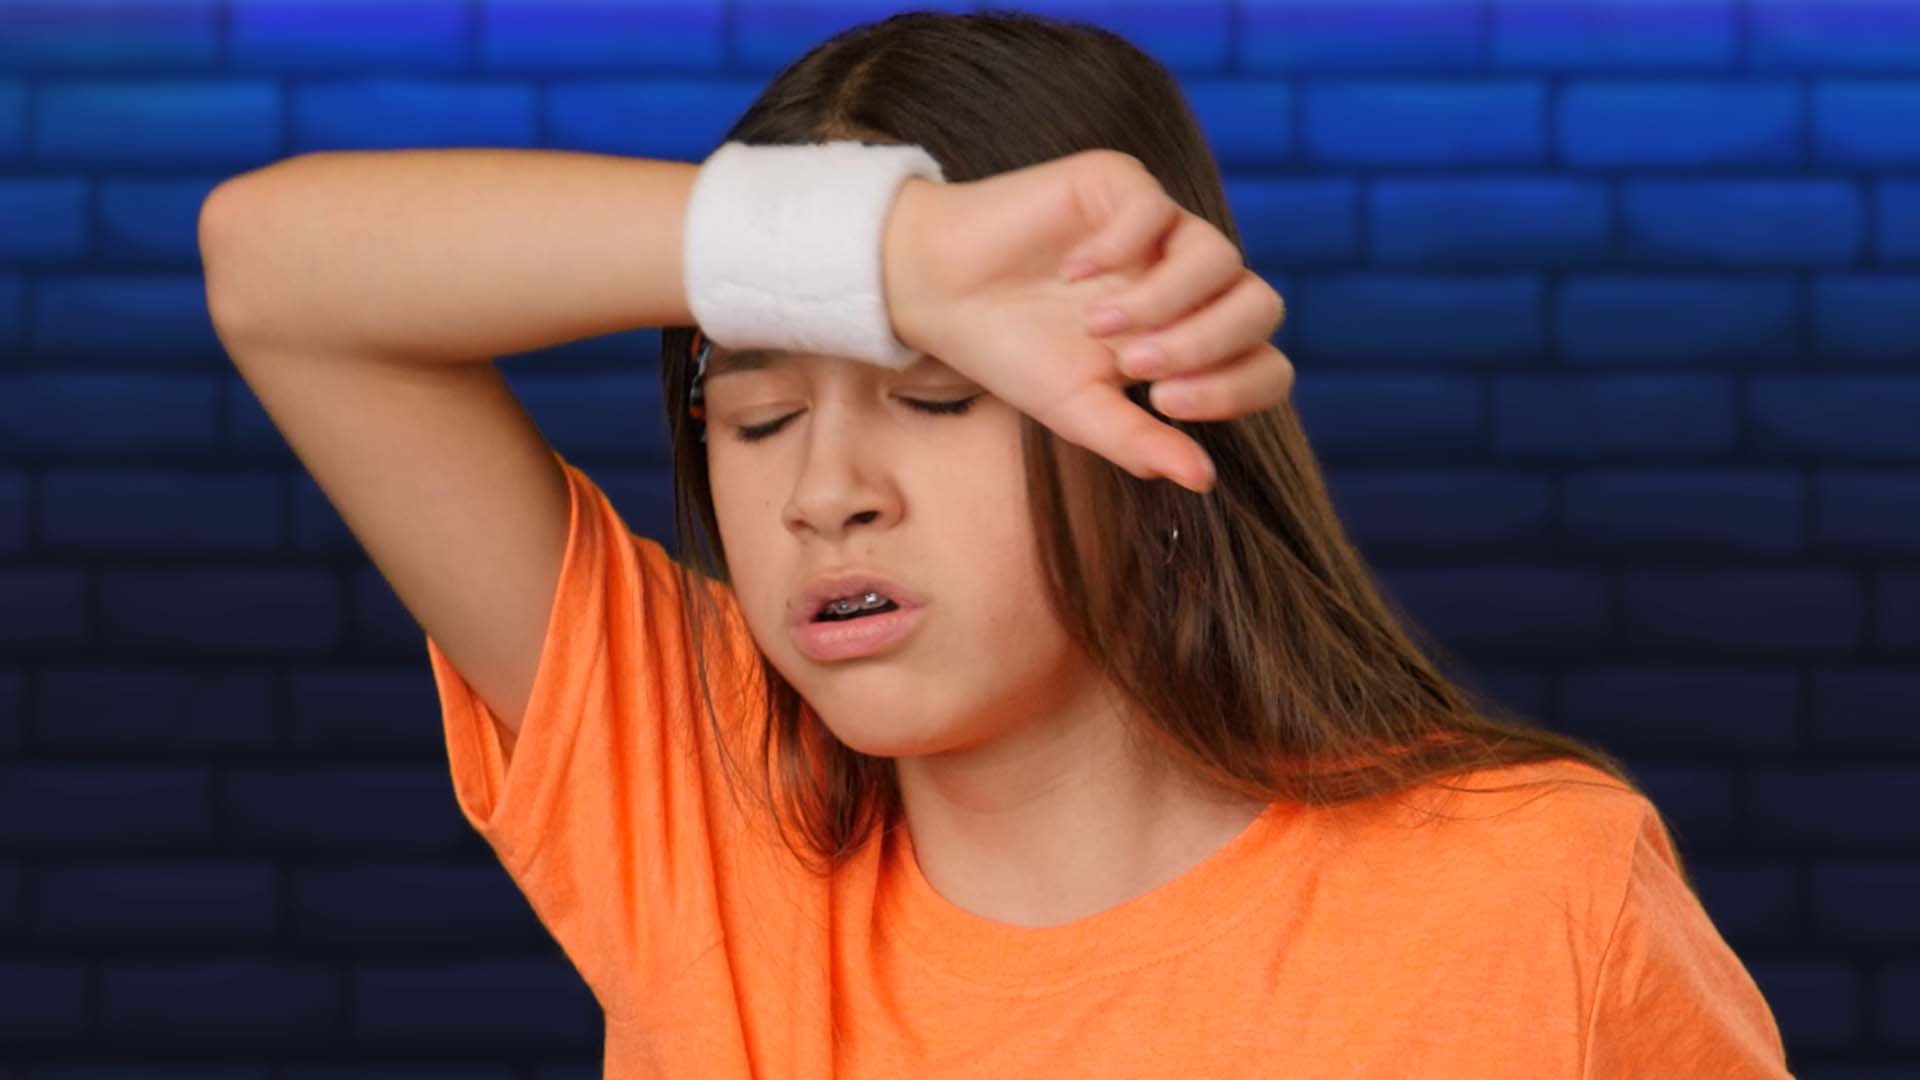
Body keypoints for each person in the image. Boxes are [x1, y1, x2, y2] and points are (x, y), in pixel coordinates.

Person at [200, 9, 1793, 1078]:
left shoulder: (1532, 894)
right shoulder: (701, 803)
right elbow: (276, 276)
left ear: (1150, 421)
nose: (825, 492)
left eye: (936, 396)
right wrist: (892, 252)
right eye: (754, 423)